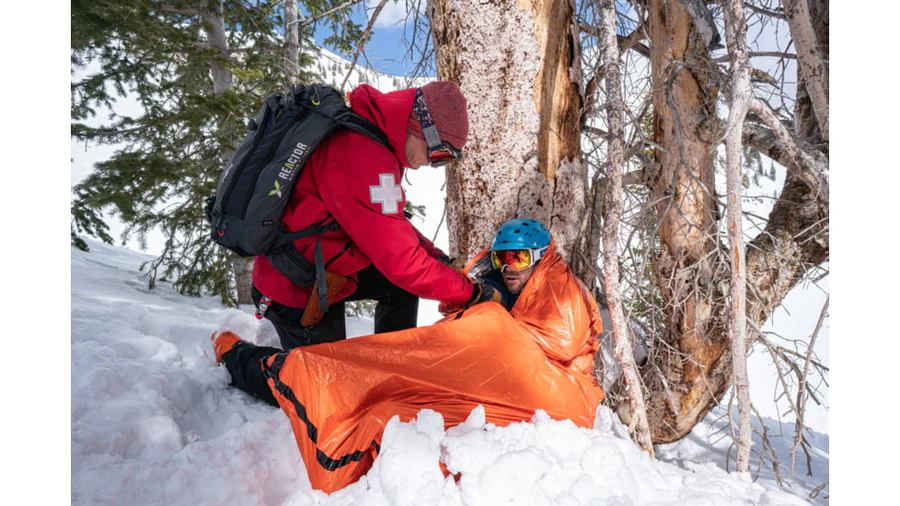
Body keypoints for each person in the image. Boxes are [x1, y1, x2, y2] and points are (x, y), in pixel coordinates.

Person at [210, 218, 604, 493]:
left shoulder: (561, 293)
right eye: (502, 258)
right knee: (360, 375)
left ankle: (258, 361)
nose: (509, 267)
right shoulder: (495, 289)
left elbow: (560, 342)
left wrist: (492, 320)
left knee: (366, 383)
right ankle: (244, 357)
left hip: (550, 390)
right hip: (491, 372)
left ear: (541, 258)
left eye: (518, 258)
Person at [251, 81, 499, 350]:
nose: (432, 163)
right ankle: (234, 354)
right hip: (295, 286)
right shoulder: (363, 156)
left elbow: (388, 223)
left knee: (400, 288)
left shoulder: (375, 140)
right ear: (418, 126)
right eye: (438, 153)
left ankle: (391, 360)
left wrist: (435, 256)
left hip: (329, 268)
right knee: (320, 389)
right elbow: (402, 263)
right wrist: (469, 292)